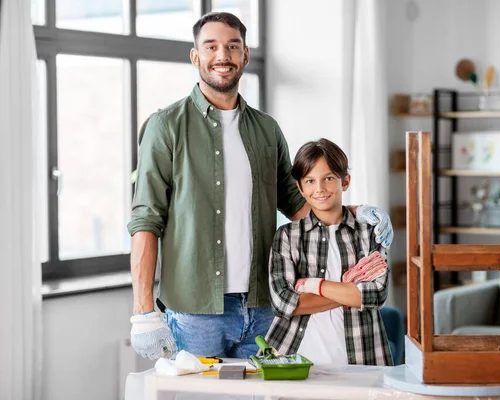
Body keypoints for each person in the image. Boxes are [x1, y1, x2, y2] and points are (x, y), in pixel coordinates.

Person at [127, 12, 394, 360]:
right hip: (196, 313)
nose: (222, 55)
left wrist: (357, 212)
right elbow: (146, 219)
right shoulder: (166, 127)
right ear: (196, 57)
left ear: (245, 55)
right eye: (211, 47)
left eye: (232, 46)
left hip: (262, 306)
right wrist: (143, 311)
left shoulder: (267, 130)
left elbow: (298, 201)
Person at [266, 138, 393, 366]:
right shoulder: (287, 236)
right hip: (297, 360)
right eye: (310, 181)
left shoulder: (369, 232)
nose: (320, 189)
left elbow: (376, 295)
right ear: (300, 187)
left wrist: (315, 286)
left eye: (329, 178)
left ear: (345, 181)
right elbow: (284, 303)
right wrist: (350, 288)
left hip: (364, 358)